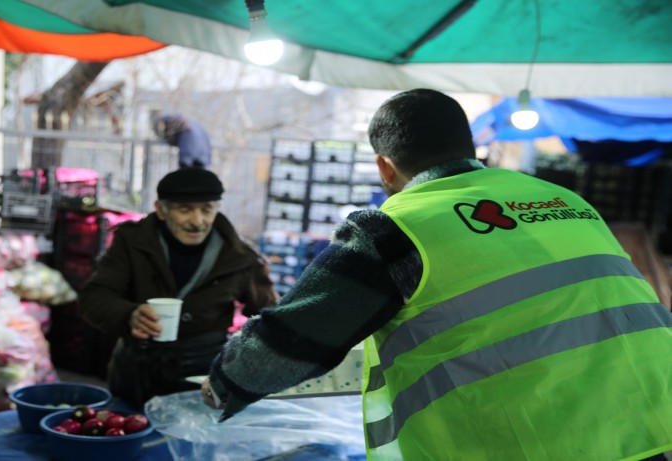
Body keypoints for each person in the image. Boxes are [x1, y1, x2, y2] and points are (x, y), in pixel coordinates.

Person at [201, 89, 672, 460]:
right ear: (468, 147)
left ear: (385, 167)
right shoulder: (566, 202)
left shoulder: (396, 228)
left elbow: (294, 338)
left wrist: (225, 381)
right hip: (653, 427)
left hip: (537, 445)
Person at [80, 167, 278, 410]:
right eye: (185, 210)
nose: (197, 221)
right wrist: (128, 315)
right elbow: (95, 296)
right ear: (162, 210)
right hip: (136, 372)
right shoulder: (131, 243)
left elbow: (270, 319)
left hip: (205, 376)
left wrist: (244, 365)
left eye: (207, 209)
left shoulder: (240, 258)